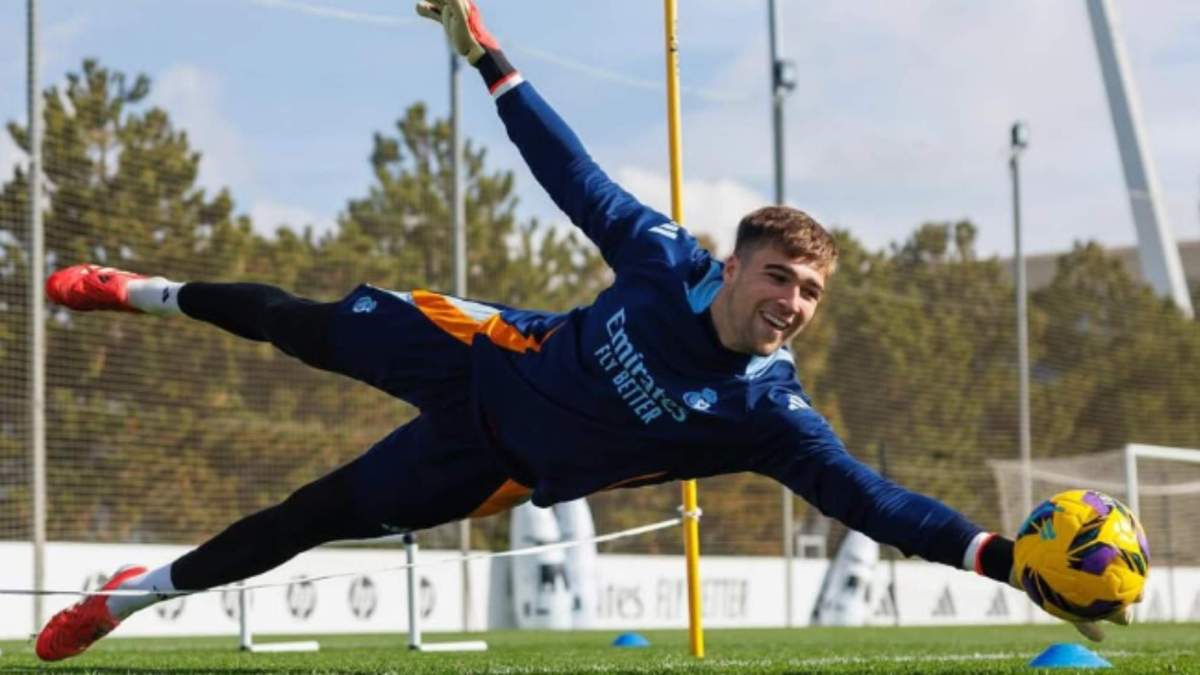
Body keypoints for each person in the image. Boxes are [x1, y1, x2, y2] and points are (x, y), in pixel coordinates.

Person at [34, 0, 1125, 661]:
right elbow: (574, 177)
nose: (792, 302)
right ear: (734, 264)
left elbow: (876, 503)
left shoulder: (770, 417)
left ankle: (123, 602)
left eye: (811, 294)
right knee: (290, 321)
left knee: (300, 519)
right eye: (780, 277)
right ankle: (139, 289)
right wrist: (488, 57)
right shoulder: (664, 262)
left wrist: (1003, 561)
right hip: (474, 348)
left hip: (488, 462)